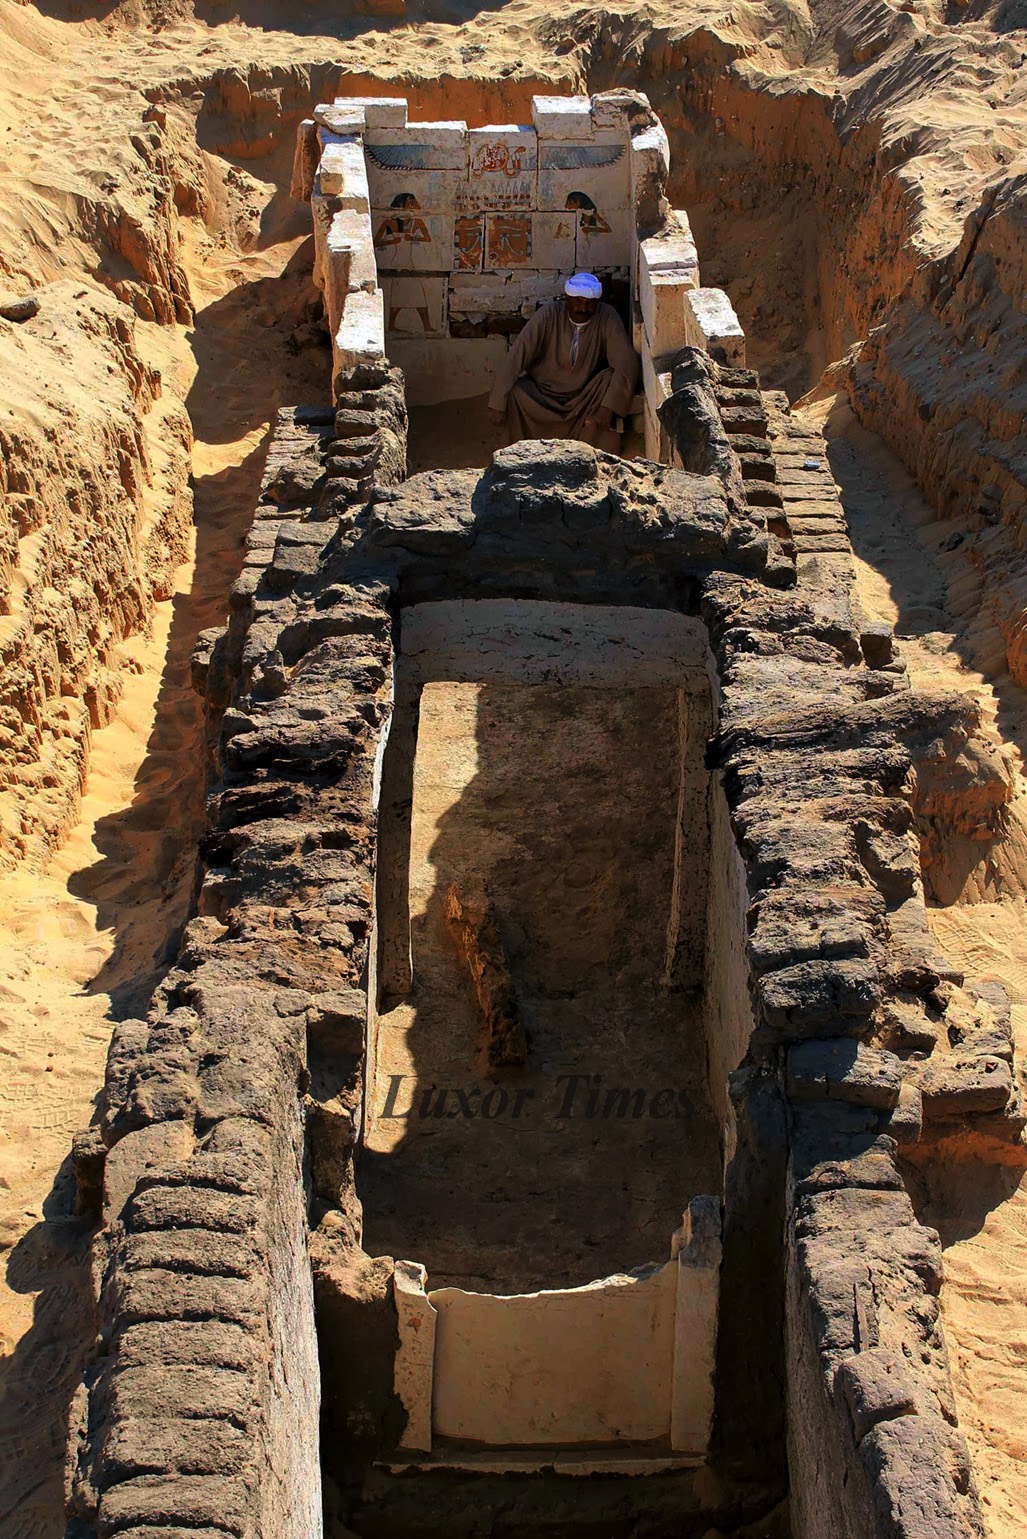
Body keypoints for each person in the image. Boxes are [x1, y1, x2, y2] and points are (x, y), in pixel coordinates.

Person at [487, 273, 639, 452]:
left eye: (590, 302)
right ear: (567, 299)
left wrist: (607, 409)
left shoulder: (606, 316)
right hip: (544, 396)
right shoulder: (548, 314)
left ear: (597, 303)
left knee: (609, 379)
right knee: (516, 392)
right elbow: (516, 356)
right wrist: (496, 403)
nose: (584, 308)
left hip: (584, 398)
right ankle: (523, 455)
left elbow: (626, 363)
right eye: (578, 301)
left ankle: (589, 450)